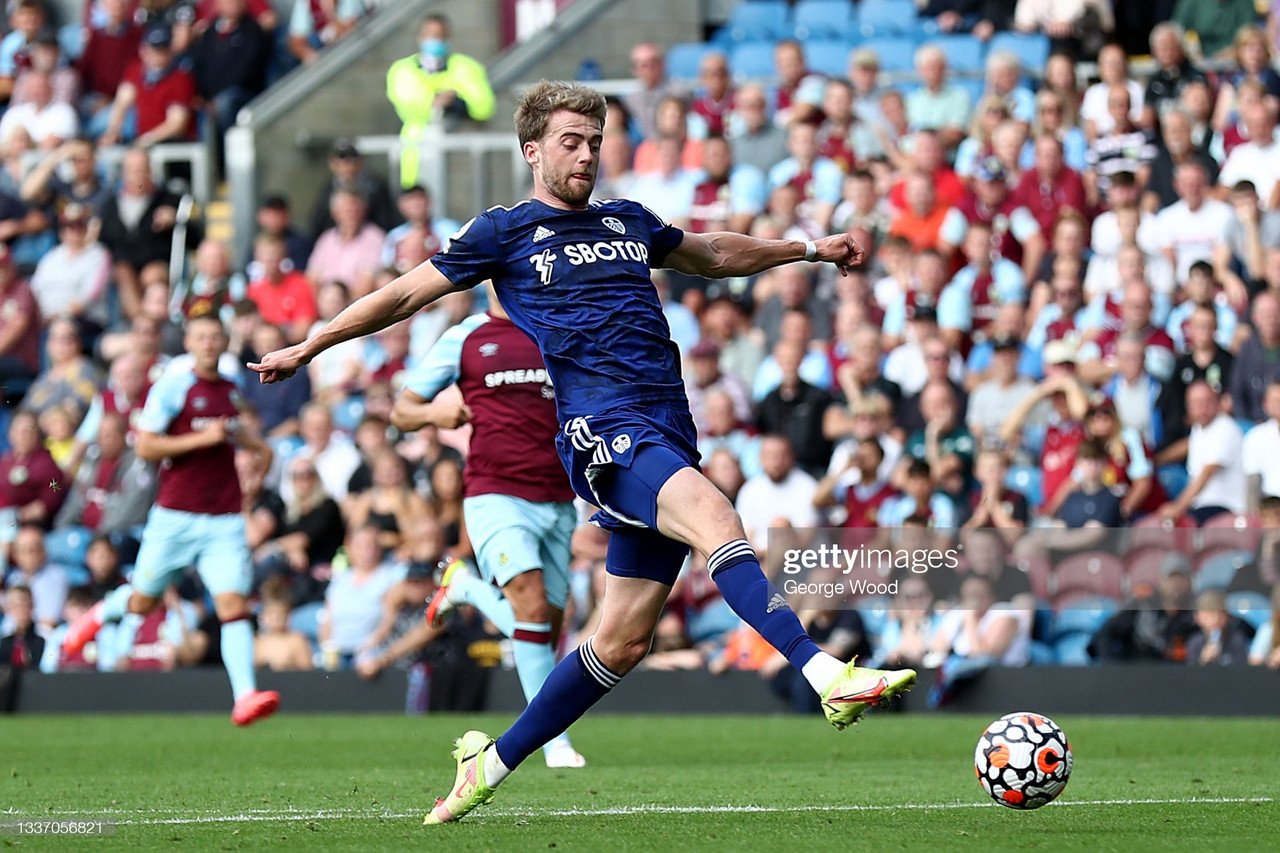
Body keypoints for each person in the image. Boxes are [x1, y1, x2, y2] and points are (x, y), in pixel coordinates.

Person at [251, 80, 915, 824]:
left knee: (623, 641)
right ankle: (826, 672)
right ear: (532, 150)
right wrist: (313, 343)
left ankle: (490, 762)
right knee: (715, 512)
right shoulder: (504, 231)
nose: (586, 154)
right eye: (571, 140)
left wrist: (809, 248)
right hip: (601, 428)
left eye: (594, 141)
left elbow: (713, 253)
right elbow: (403, 295)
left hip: (665, 423)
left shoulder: (627, 219)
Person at [391, 290, 587, 768]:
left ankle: (466, 588)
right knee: (533, 609)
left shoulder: (559, 326)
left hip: (558, 496)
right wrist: (436, 414)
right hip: (493, 493)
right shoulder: (466, 337)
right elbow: (403, 411)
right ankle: (553, 741)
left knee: (547, 626)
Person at [62, 314, 280, 726]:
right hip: (176, 515)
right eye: (201, 337)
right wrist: (203, 438)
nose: (210, 343)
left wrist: (259, 460)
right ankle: (99, 614)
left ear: (224, 340)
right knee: (143, 600)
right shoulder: (174, 386)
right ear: (190, 343)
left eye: (216, 336)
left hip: (224, 519)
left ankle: (245, 696)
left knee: (233, 604)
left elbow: (239, 435)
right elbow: (145, 446)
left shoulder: (230, 390)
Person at [386, 13, 495, 188]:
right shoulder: (402, 69)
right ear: (420, 38)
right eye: (430, 35)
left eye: (440, 35)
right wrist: (438, 98)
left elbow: (484, 106)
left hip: (458, 153)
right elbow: (409, 106)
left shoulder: (467, 66)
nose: (435, 40)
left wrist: (453, 101)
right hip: (417, 152)